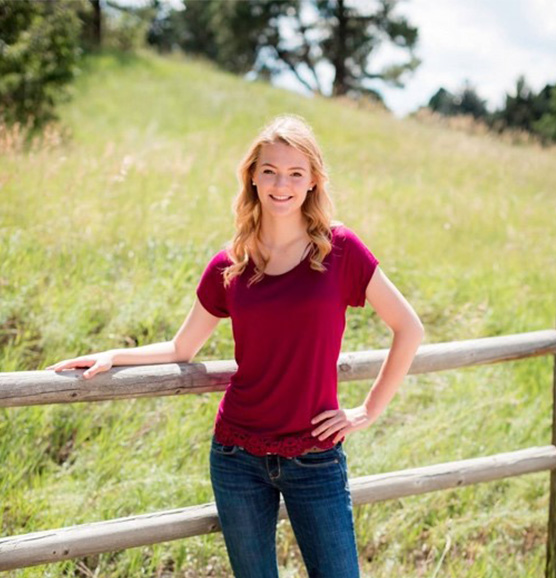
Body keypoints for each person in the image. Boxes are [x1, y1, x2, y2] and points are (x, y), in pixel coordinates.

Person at [46, 114, 425, 578]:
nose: (280, 184)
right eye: (269, 171)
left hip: (315, 455)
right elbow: (182, 347)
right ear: (252, 176)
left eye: (295, 173)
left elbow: (409, 328)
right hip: (237, 456)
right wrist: (114, 355)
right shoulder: (231, 264)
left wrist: (367, 410)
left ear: (312, 182)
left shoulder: (339, 251)